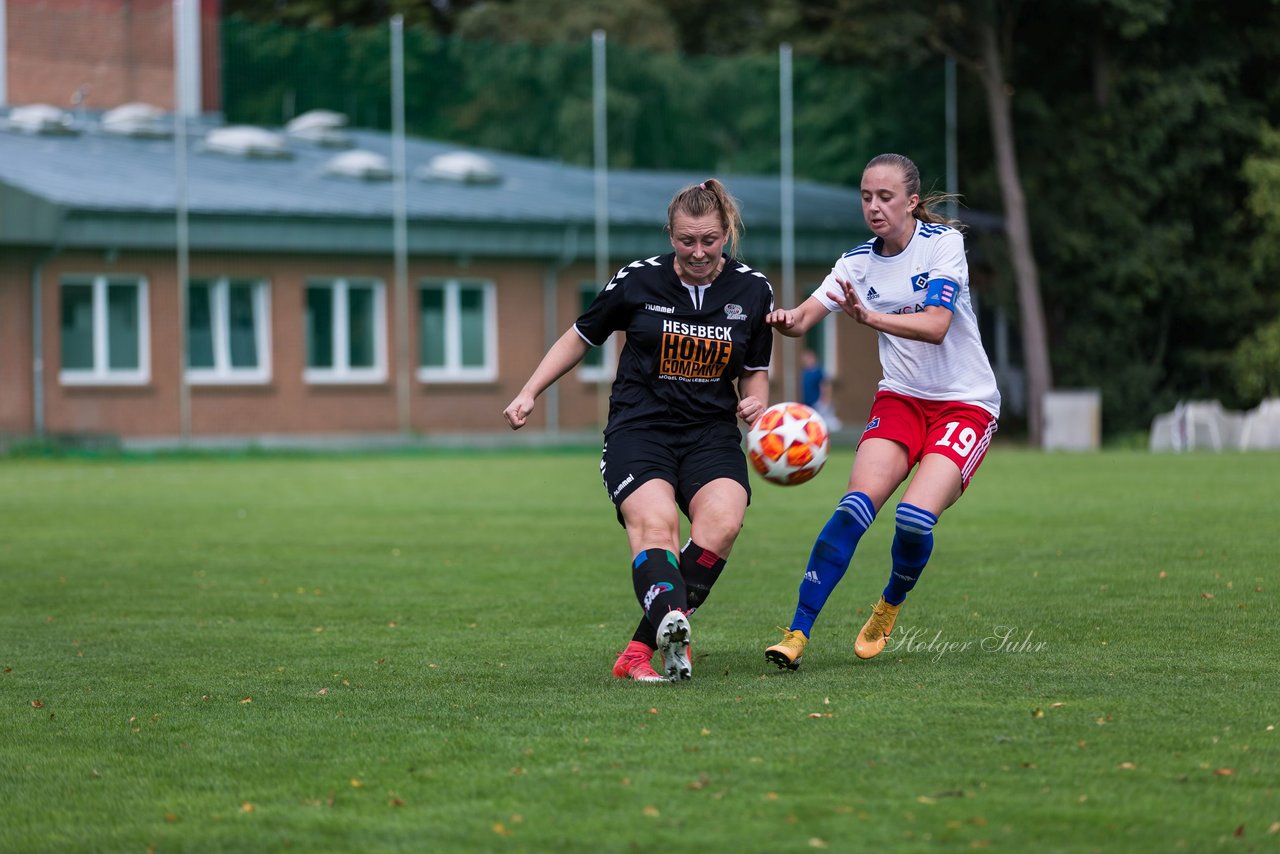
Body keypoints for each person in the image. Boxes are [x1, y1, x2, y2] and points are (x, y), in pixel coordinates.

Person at [503, 178, 775, 682]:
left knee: (723, 524)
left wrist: (758, 401)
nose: (697, 251)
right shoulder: (637, 280)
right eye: (686, 240)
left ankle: (640, 650)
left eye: (709, 240)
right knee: (657, 529)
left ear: (727, 234)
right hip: (639, 428)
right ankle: (669, 632)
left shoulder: (753, 289)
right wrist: (529, 391)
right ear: (670, 234)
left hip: (710, 433)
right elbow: (580, 336)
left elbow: (754, 367)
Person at [763, 153, 1000, 670]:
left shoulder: (943, 246)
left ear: (912, 201)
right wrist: (784, 320)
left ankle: (889, 604)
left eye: (885, 197)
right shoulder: (855, 263)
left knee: (914, 520)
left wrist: (872, 317)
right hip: (900, 399)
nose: (873, 206)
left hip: (965, 404)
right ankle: (797, 632)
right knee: (853, 509)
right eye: (866, 196)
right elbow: (805, 318)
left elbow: (937, 324)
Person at [800, 347, 841, 430]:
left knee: (819, 423)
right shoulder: (804, 372)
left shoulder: (818, 371)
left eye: (808, 358)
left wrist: (826, 399)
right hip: (807, 402)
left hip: (816, 402)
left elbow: (826, 385)